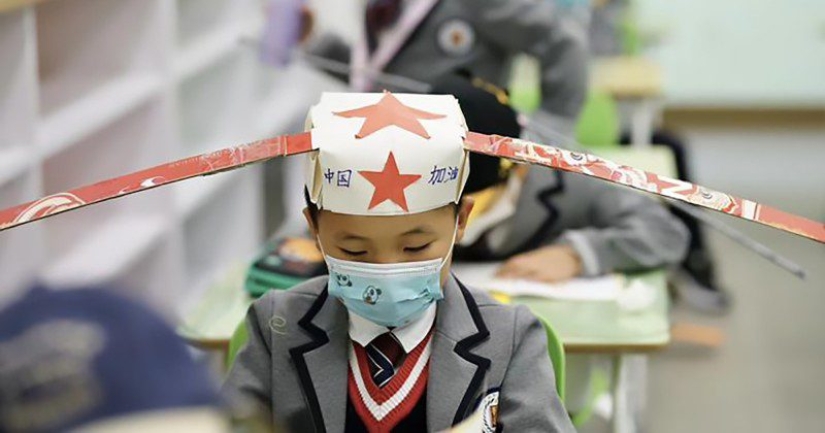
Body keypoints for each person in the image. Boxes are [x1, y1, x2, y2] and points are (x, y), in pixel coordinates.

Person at [222, 92, 574, 432]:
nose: (387, 271)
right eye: (355, 251)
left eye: (415, 247)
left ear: (461, 221)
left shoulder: (509, 338)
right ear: (314, 228)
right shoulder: (276, 326)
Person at [431, 74, 690, 281]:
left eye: (474, 201)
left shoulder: (570, 180)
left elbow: (666, 233)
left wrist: (576, 254)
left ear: (520, 168)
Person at [302, 0, 588, 135]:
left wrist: (553, 126)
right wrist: (314, 42)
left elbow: (562, 41)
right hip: (391, 152)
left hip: (460, 157)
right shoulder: (383, 6)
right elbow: (388, 74)